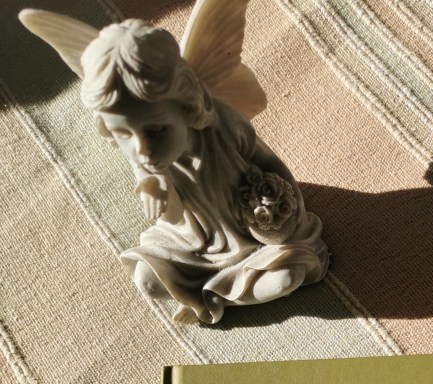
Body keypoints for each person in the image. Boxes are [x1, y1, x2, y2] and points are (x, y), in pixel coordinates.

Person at [79, 20, 328, 323]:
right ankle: (222, 286)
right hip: (191, 242)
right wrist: (158, 191)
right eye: (123, 134)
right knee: (147, 278)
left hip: (250, 231)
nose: (142, 150)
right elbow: (173, 219)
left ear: (186, 104)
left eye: (156, 130)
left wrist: (287, 210)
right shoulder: (146, 159)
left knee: (285, 278)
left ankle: (230, 284)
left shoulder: (223, 126)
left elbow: (268, 162)